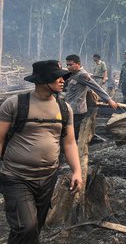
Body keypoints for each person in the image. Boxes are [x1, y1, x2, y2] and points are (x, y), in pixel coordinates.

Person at [0, 60, 82, 244]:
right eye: (57, 77)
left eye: (63, 77)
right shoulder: (15, 104)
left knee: (33, 228)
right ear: (43, 79)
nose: (62, 80)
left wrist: (77, 171)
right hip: (16, 177)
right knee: (26, 227)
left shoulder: (64, 108)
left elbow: (69, 143)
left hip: (47, 178)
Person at [64, 54, 118, 139]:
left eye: (71, 65)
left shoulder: (83, 75)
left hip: (77, 111)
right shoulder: (73, 74)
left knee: (75, 134)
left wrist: (108, 100)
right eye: (67, 65)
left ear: (78, 64)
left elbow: (96, 87)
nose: (68, 67)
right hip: (70, 108)